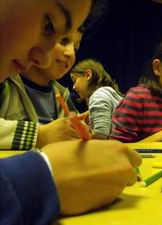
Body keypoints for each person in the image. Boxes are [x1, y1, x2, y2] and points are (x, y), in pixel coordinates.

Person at [0, 1, 141, 224]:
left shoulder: (62, 95)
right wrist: (41, 137)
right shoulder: (7, 84)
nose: (45, 56)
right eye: (49, 27)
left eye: (75, 47)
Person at [0, 31, 84, 150]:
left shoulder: (63, 95)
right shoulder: (4, 82)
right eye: (63, 40)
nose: (71, 54)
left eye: (75, 48)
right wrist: (39, 135)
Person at [71, 59, 123, 139]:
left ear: (88, 75)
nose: (73, 87)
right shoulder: (107, 94)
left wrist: (83, 131)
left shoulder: (98, 96)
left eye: (75, 80)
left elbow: (100, 136)